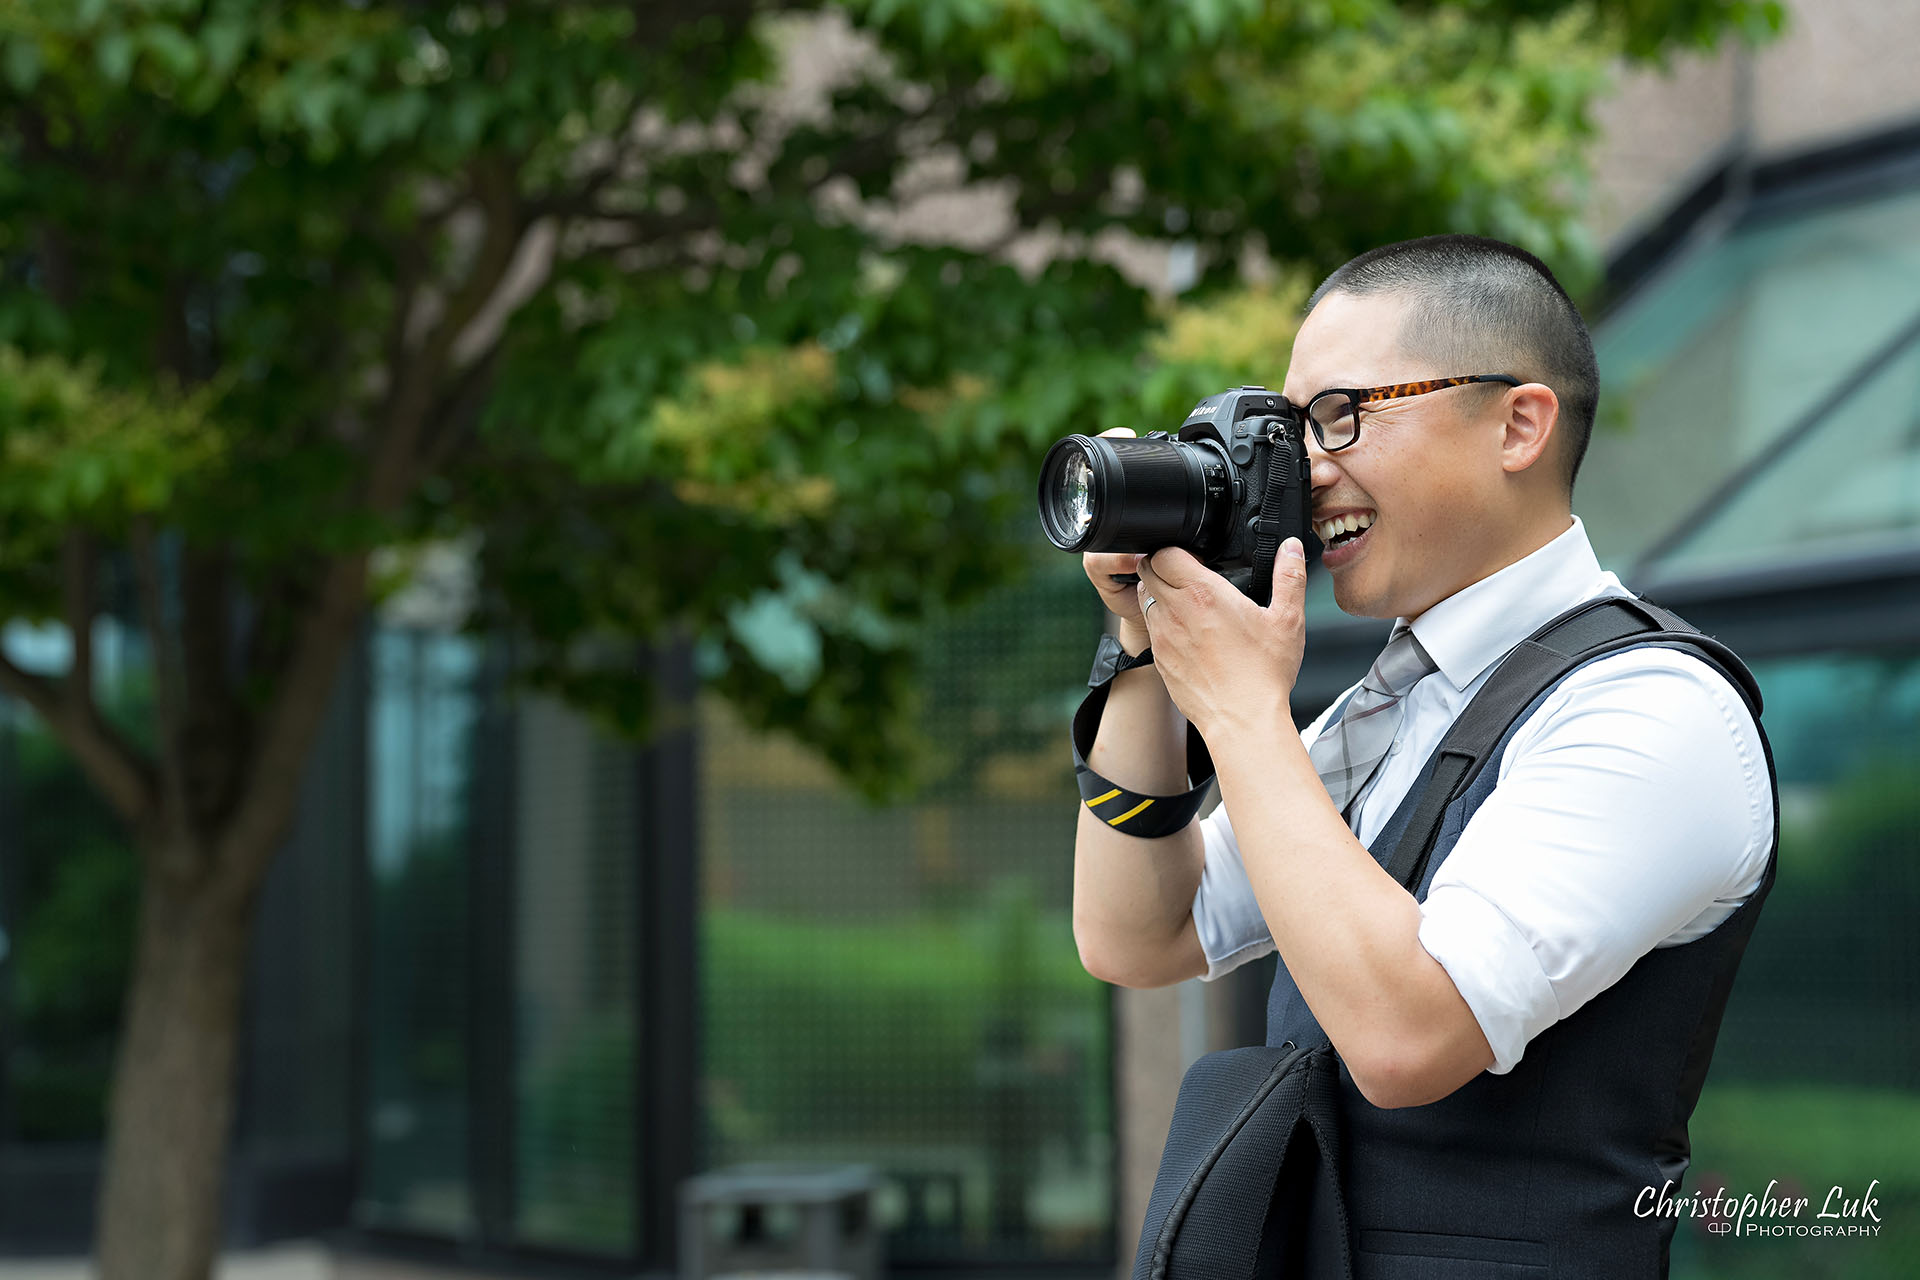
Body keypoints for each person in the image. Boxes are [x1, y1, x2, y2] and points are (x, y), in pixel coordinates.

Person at [1071, 234, 1776, 1276]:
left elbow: (1409, 1037)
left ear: (1518, 424)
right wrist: (1142, 653)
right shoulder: (1398, 699)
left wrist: (1247, 713)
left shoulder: (1650, 705)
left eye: (1341, 417)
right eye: (1292, 424)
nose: (1308, 468)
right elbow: (1139, 932)